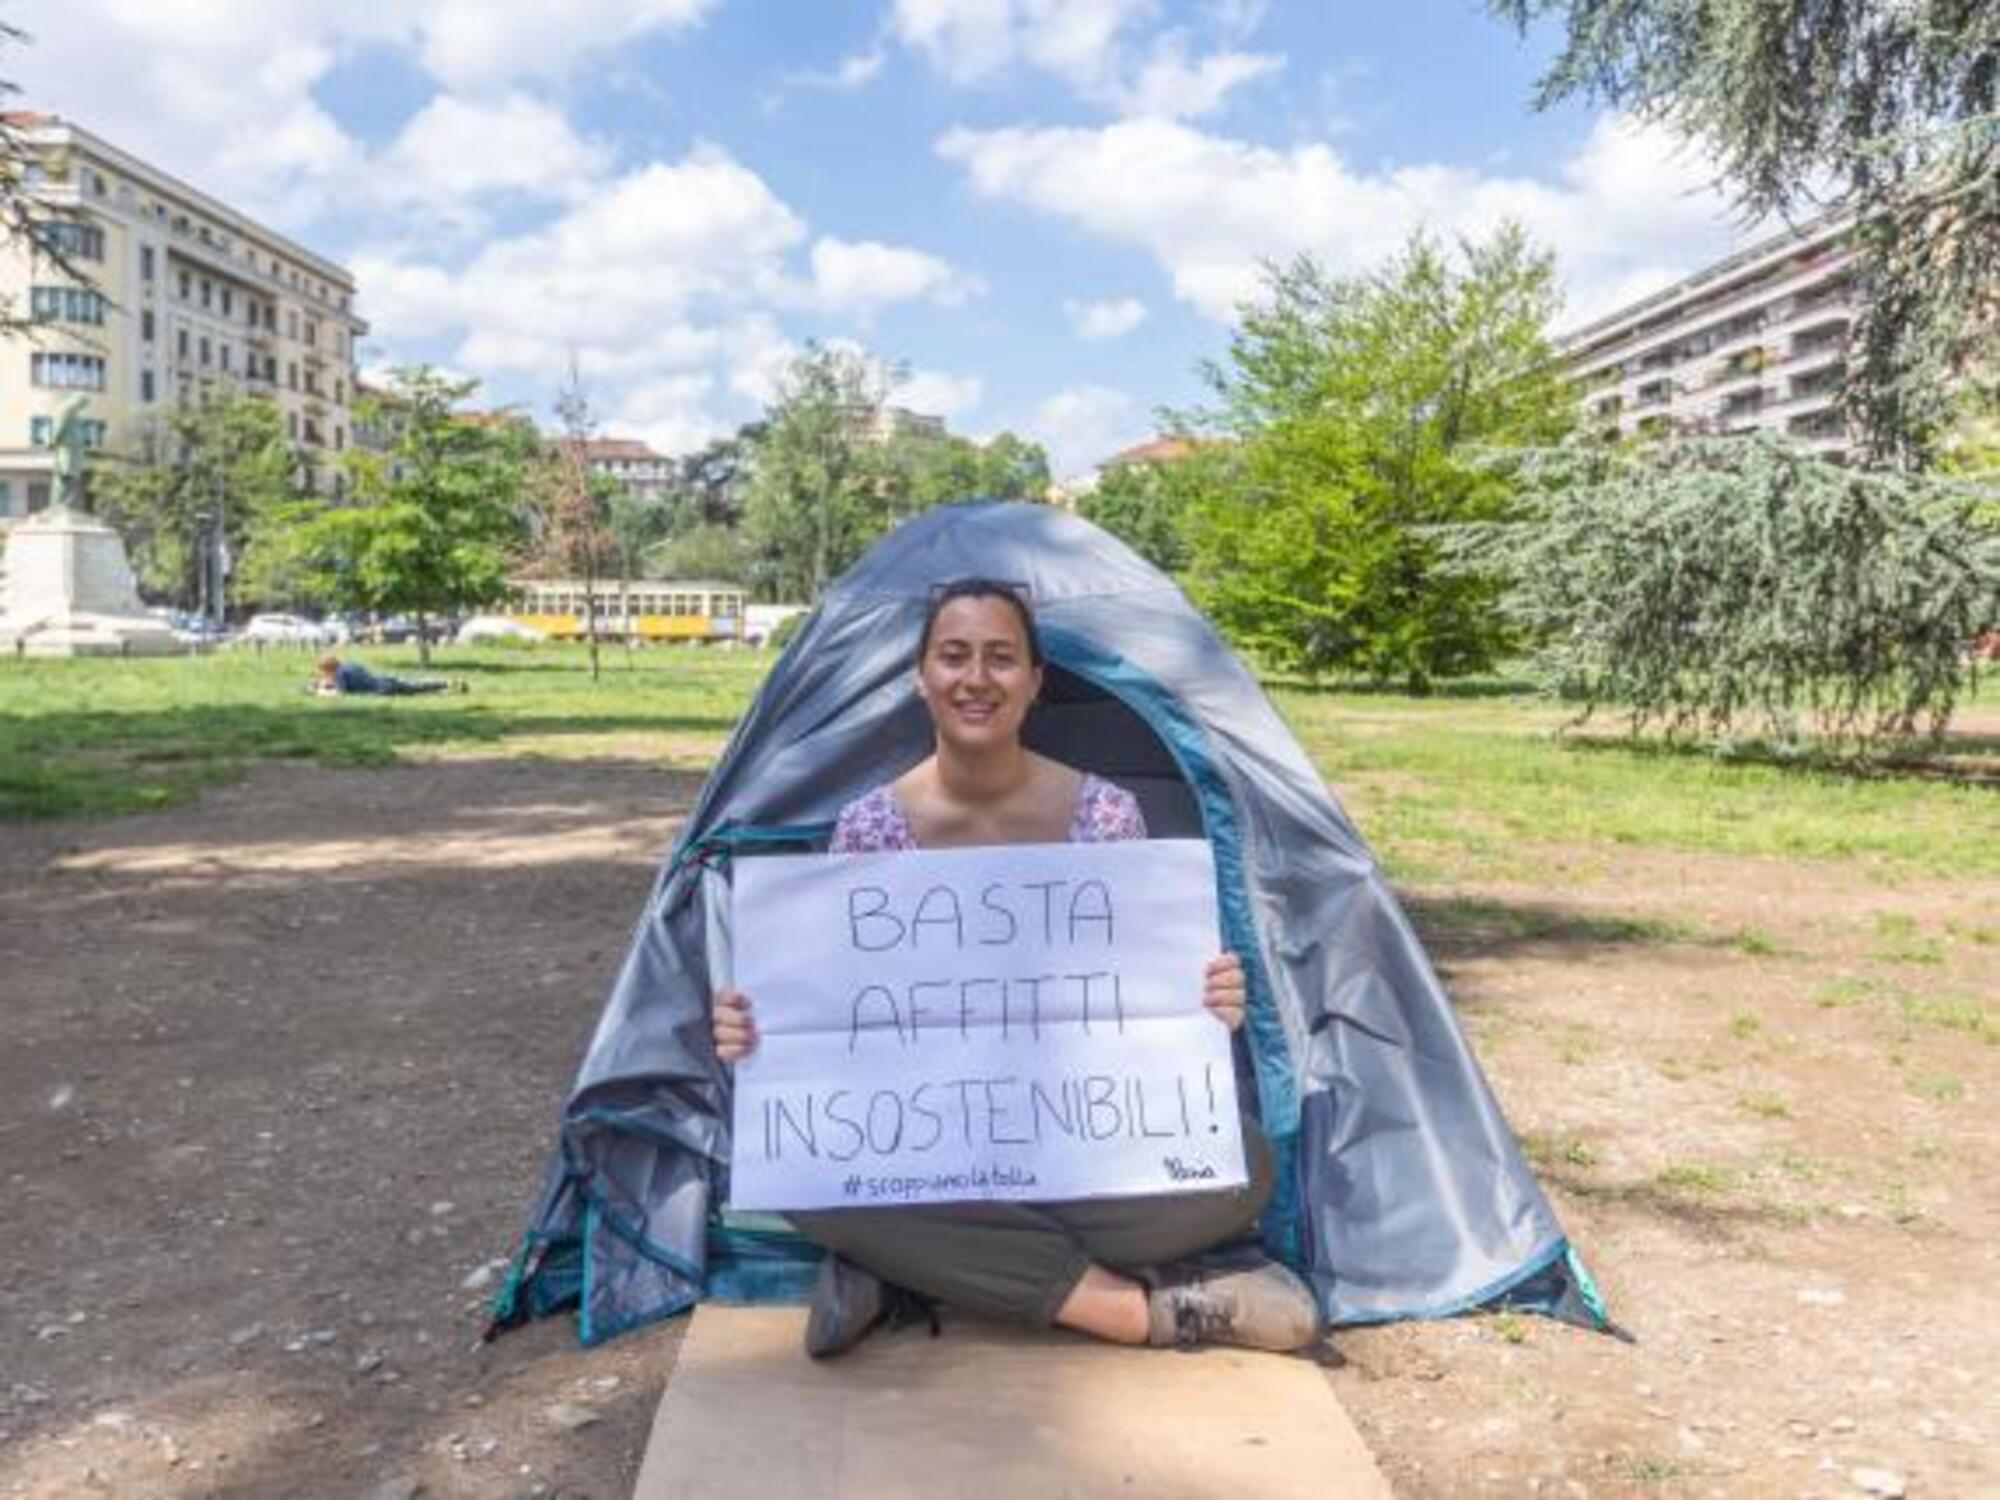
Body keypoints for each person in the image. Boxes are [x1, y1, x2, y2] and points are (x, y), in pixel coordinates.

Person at [712, 577, 1321, 1359]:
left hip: (1075, 1136)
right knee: (792, 1166)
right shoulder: (869, 828)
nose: (975, 678)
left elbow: (1142, 1004)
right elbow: (838, 1026)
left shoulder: (1106, 817)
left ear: (1035, 683)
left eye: (1001, 658)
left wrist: (1205, 1005)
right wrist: (759, 1032)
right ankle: (1138, 1313)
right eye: (953, 656)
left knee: (1245, 1167)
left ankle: (909, 1265)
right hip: (926, 1141)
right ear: (919, 677)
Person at [312, 655, 461, 697]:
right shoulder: (349, 665)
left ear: (328, 668)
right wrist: (329, 682)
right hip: (383, 680)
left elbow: (341, 693)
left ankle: (445, 691)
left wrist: (321, 690)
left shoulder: (339, 674)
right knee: (416, 685)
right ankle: (446, 683)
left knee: (416, 691)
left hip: (381, 690)